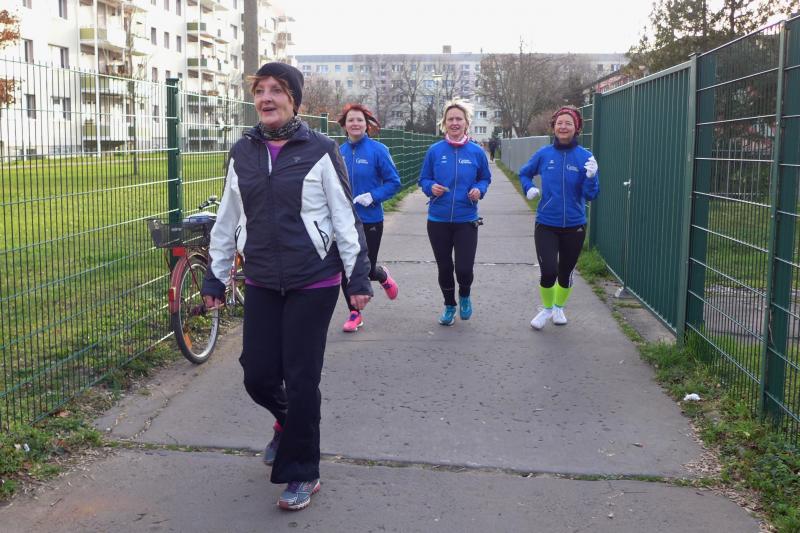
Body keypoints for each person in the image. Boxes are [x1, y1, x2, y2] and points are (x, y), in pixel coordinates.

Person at [200, 62, 373, 511]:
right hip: (261, 277)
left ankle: (303, 471)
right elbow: (227, 219)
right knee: (257, 374)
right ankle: (287, 423)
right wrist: (216, 275)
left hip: (313, 280)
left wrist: (357, 277)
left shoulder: (320, 150)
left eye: (277, 90)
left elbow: (345, 217)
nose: (267, 98)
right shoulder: (242, 152)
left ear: (294, 100)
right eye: (260, 90)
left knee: (300, 378)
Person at [518, 105, 599, 330]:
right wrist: (528, 187)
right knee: (548, 271)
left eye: (568, 123)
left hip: (575, 225)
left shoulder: (585, 157)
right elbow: (524, 173)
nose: (563, 127)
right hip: (547, 223)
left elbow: (591, 195)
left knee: (565, 273)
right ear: (554, 127)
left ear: (576, 128)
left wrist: (592, 177)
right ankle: (546, 309)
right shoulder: (544, 154)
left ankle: (558, 307)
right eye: (560, 123)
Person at [418, 98, 491, 326]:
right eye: (450, 119)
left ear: (467, 123)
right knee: (445, 267)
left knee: (464, 268)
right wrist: (431, 187)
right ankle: (449, 305)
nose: (455, 123)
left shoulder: (477, 152)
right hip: (438, 219)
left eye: (459, 119)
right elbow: (423, 179)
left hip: (466, 219)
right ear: (444, 123)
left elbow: (485, 178)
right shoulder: (435, 151)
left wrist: (479, 190)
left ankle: (465, 295)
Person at [336, 103, 402, 332]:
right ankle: (354, 313)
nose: (355, 123)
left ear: (367, 125)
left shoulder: (378, 150)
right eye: (351, 120)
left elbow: (394, 182)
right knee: (346, 267)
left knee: (366, 269)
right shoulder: (338, 152)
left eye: (359, 120)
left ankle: (381, 274)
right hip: (344, 220)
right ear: (344, 125)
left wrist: (373, 196)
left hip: (371, 219)